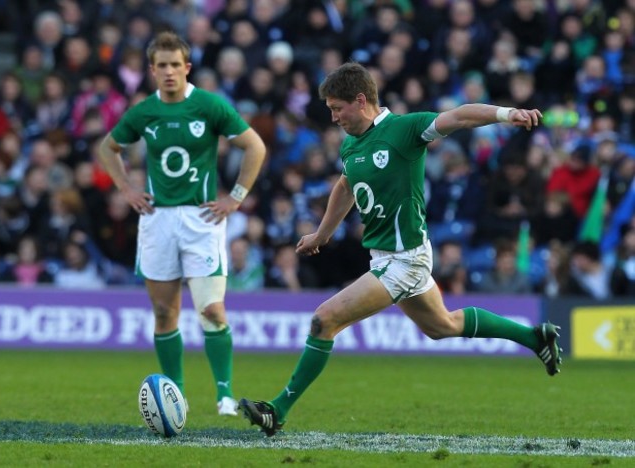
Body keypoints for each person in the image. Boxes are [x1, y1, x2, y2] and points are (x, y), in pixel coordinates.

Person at [238, 62, 562, 436]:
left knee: (323, 320)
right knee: (443, 326)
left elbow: (459, 117)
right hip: (388, 257)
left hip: (404, 260)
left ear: (361, 100)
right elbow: (345, 188)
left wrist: (508, 114)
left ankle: (277, 409)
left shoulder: (404, 130)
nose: (333, 117)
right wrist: (322, 234)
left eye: (337, 108)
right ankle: (534, 337)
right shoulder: (350, 145)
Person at [97, 31, 266, 416]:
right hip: (157, 221)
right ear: (152, 70)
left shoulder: (209, 105)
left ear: (187, 68)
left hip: (201, 218)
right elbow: (108, 147)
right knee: (163, 313)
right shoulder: (143, 111)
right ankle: (175, 395)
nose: (170, 71)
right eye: (162, 65)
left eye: (176, 64)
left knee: (211, 310)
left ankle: (224, 395)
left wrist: (235, 197)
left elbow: (254, 146)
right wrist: (126, 188)